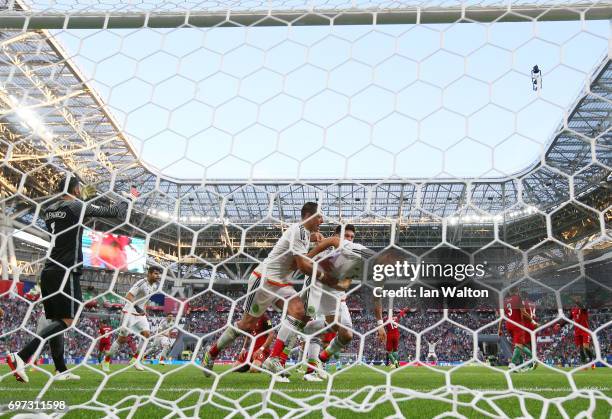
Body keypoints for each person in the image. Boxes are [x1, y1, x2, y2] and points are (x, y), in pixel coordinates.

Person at [8, 174, 134, 383]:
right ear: (76, 189)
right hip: (66, 269)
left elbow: (62, 224)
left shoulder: (49, 211)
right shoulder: (77, 207)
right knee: (68, 320)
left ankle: (60, 369)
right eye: (80, 188)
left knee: (57, 319)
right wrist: (127, 198)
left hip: (49, 269)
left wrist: (83, 203)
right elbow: (116, 212)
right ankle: (21, 356)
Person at [203, 202, 331, 381]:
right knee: (246, 325)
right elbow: (302, 267)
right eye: (319, 216)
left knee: (299, 311)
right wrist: (325, 275)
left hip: (280, 283)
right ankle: (212, 353)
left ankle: (274, 359)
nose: (322, 220)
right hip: (263, 281)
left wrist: (314, 241)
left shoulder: (304, 234)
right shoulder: (300, 231)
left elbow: (297, 262)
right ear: (308, 215)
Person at [104, 265, 163, 371]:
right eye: (155, 273)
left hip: (140, 315)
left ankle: (135, 360)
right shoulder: (141, 283)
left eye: (159, 274)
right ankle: (107, 360)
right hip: (129, 313)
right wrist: (137, 307)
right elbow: (128, 296)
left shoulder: (154, 286)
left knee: (146, 335)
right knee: (122, 339)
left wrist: (144, 310)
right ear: (149, 273)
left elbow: (145, 300)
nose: (158, 276)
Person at [498, 286, 537, 371]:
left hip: (509, 325)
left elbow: (501, 317)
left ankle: (524, 363)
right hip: (517, 324)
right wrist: (532, 321)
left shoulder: (505, 301)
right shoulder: (517, 298)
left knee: (519, 345)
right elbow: (523, 312)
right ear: (517, 290)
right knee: (519, 345)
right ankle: (512, 364)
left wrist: (499, 329)